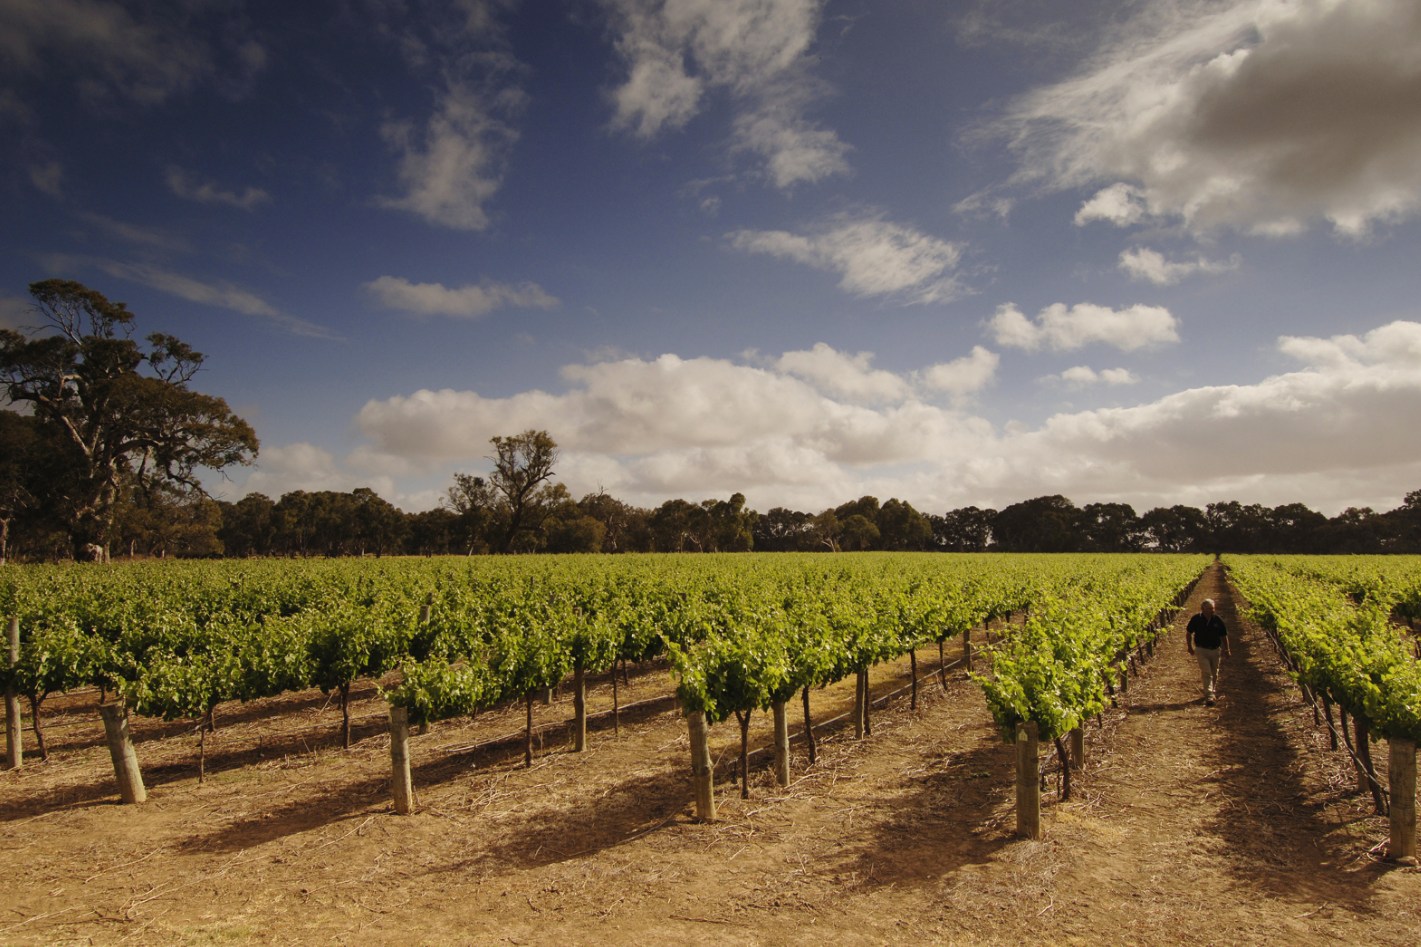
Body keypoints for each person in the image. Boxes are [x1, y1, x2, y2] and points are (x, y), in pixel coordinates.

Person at [1186, 598, 1230, 706]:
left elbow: (1224, 636)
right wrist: (1190, 647)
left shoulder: (1217, 620)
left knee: (1214, 673)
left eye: (1213, 608)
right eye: (1210, 608)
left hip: (1215, 650)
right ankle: (1209, 695)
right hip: (1201, 650)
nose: (1212, 610)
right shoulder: (1196, 619)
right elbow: (1188, 633)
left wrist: (1227, 649)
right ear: (1203, 609)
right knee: (1207, 672)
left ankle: (1211, 691)